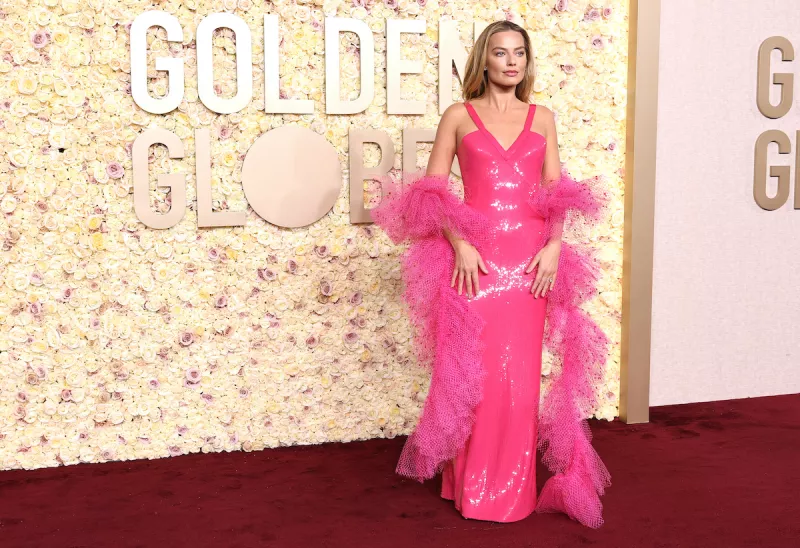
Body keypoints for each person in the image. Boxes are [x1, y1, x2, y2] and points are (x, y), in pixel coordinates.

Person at [371, 20, 611, 528]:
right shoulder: (459, 116)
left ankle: (511, 491)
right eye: (501, 53)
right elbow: (433, 192)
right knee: (472, 374)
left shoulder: (542, 118)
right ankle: (467, 483)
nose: (511, 61)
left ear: (527, 61)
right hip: (476, 263)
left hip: (529, 265)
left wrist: (554, 246)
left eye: (519, 53)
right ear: (484, 59)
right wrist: (459, 245)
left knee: (519, 377)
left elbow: (556, 192)